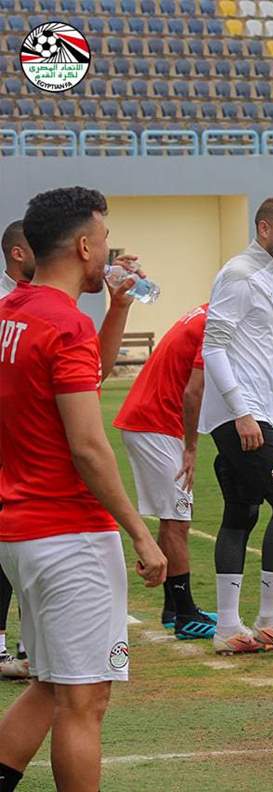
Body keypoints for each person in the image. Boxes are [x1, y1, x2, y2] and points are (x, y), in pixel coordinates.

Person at [0, 186, 167, 792]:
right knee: (84, 700)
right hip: (69, 534)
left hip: (22, 530)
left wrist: (117, 309)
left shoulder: (13, 310)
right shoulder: (64, 322)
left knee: (51, 686)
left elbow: (79, 378)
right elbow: (89, 446)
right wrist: (141, 533)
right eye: (103, 239)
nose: (108, 252)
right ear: (83, 246)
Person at [200, 197, 273, 656]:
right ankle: (270, 619)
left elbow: (264, 349)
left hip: (254, 411)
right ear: (264, 229)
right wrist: (242, 412)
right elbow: (213, 347)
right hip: (241, 417)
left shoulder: (269, 274)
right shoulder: (239, 275)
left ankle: (228, 627)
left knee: (242, 512)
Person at [113, 304, 217, 639]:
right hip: (155, 424)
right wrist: (192, 447)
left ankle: (173, 609)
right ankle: (186, 615)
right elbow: (193, 391)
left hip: (149, 420)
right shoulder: (218, 323)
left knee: (173, 516)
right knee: (177, 520)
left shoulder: (206, 312)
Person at [0, 221, 34, 680]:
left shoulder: (44, 300)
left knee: (27, 544)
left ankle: (30, 644)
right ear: (18, 254)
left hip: (26, 442)